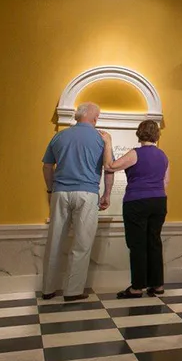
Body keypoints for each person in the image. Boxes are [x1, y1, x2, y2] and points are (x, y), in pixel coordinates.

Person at [41, 102, 113, 301]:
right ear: (95, 118)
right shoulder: (101, 139)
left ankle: (48, 289)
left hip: (60, 191)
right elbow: (109, 169)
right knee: (82, 243)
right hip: (87, 193)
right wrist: (106, 194)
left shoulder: (60, 136)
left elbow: (47, 166)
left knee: (55, 240)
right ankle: (73, 291)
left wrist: (50, 188)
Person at [101, 120, 169, 299]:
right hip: (159, 201)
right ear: (157, 134)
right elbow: (165, 182)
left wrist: (108, 143)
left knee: (137, 243)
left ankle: (137, 287)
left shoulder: (135, 154)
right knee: (154, 242)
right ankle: (158, 285)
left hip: (137, 201)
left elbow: (110, 166)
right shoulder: (163, 155)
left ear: (139, 133)